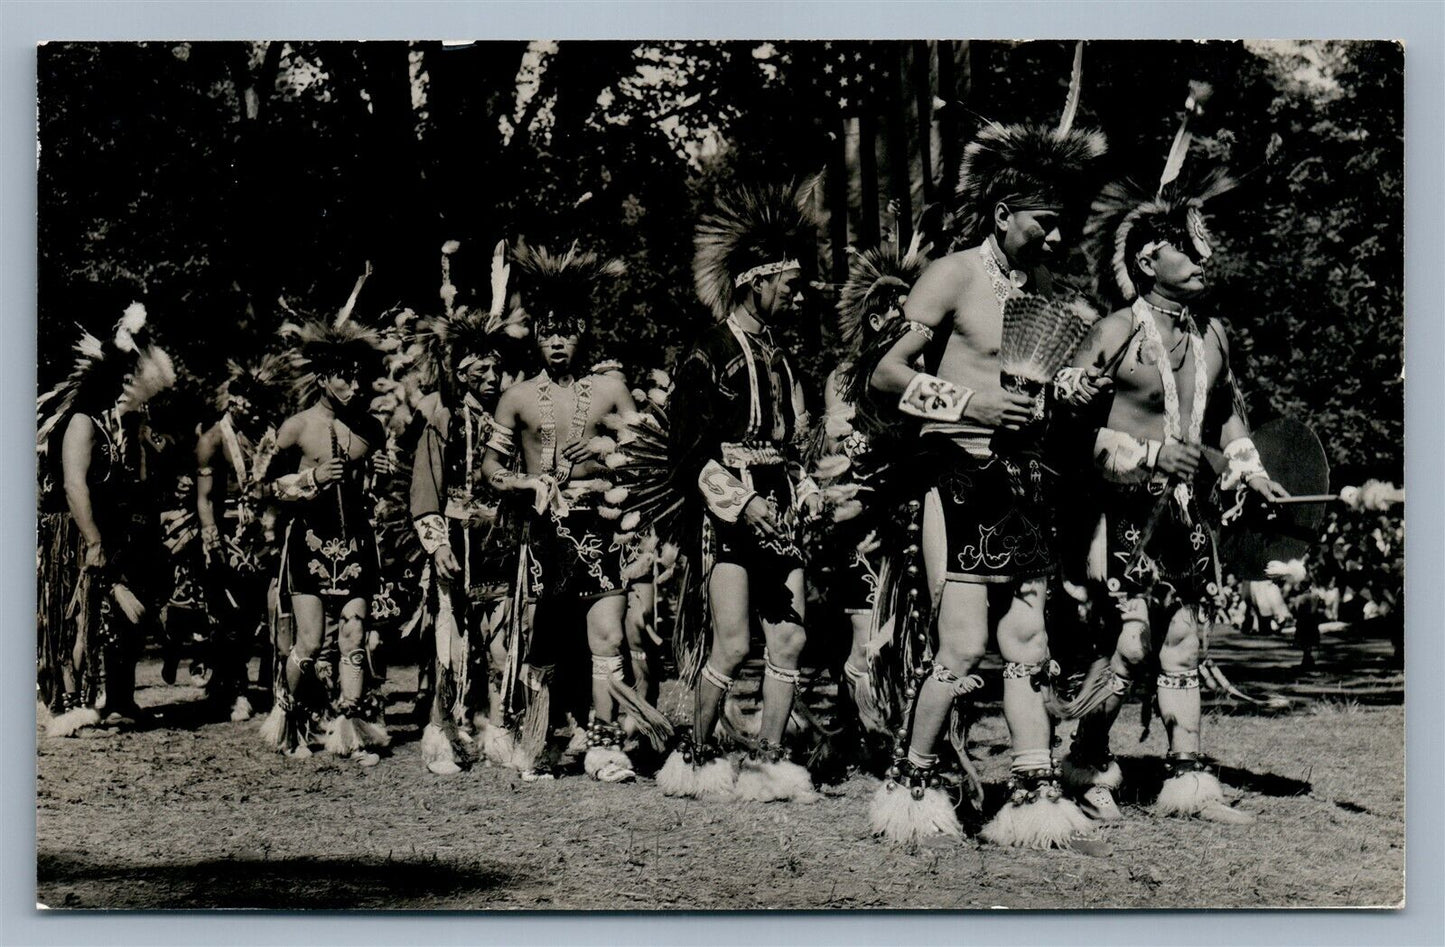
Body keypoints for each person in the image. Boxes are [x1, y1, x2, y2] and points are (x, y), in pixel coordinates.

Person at [866, 122, 1108, 846]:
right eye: (1044, 222)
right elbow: (885, 375)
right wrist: (970, 405)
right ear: (1003, 215)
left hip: (1024, 480)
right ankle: (910, 785)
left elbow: (1035, 388)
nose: (1056, 238)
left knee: (1028, 641)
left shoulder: (1040, 287)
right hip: (959, 475)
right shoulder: (951, 274)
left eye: (1062, 225)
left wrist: (1072, 389)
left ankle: (1034, 795)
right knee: (965, 646)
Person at [1056, 156, 1287, 824]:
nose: (1202, 259)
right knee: (1129, 643)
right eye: (1185, 248)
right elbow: (1066, 427)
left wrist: (1248, 469)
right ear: (1147, 259)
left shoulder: (1211, 334)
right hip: (1119, 511)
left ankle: (1187, 779)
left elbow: (1226, 414)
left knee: (1182, 639)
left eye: (1201, 247)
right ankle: (1084, 764)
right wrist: (1147, 452)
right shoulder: (1114, 330)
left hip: (1185, 515)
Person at [655, 180, 822, 802]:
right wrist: (742, 503)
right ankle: (695, 756)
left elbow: (790, 441)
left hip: (779, 505)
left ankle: (767, 763)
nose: (798, 296)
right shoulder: (709, 352)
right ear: (758, 282)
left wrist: (805, 486)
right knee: (731, 643)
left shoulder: (781, 354)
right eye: (790, 285)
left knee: (791, 637)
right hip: (726, 509)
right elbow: (687, 453)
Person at [481, 241, 665, 783]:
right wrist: (525, 482)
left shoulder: (611, 390)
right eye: (546, 333)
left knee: (607, 637)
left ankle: (605, 748)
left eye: (565, 331)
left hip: (601, 526)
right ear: (536, 337)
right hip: (542, 529)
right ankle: (538, 741)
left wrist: (607, 453)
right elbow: (490, 468)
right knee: (543, 642)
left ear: (582, 331)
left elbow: (646, 459)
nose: (557, 342)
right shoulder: (515, 397)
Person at [408, 254, 527, 775]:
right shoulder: (444, 421)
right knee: (452, 641)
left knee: (502, 641)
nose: (491, 377)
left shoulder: (511, 419)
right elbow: (425, 490)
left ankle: (499, 730)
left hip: (501, 541)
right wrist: (436, 546)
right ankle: (444, 735)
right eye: (481, 370)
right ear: (461, 373)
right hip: (456, 542)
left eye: (496, 368)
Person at [38, 303, 176, 736]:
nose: (124, 387)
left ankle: (103, 700)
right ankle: (68, 708)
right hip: (73, 533)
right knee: (73, 619)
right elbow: (74, 486)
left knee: (95, 621)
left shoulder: (109, 427)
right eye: (119, 380)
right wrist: (94, 541)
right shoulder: (81, 423)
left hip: (93, 532)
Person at [259, 316, 391, 764]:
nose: (355, 387)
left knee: (354, 633)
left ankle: (348, 729)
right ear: (322, 379)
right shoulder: (296, 427)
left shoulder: (371, 429)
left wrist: (379, 476)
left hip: (355, 543)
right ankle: (290, 718)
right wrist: (312, 478)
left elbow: (377, 492)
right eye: (344, 378)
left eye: (358, 378)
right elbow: (264, 488)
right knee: (311, 644)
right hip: (309, 543)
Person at [192, 355, 289, 722]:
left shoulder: (264, 434)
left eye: (255, 401)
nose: (249, 407)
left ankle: (260, 684)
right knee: (229, 616)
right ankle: (235, 688)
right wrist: (212, 542)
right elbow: (204, 498)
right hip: (228, 535)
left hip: (263, 532)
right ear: (232, 398)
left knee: (258, 613)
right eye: (244, 399)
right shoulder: (213, 439)